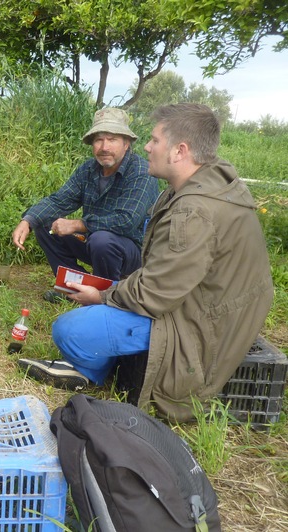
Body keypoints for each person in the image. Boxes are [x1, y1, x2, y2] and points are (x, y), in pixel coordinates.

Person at [18, 103, 274, 422]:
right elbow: (163, 279)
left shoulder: (193, 212)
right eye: (99, 139)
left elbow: (153, 293)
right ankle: (91, 361)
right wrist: (31, 220)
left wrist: (102, 295)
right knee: (95, 301)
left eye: (153, 140)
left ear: (179, 150)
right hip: (193, 303)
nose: (148, 147)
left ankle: (87, 366)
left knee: (70, 329)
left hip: (198, 327)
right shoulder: (194, 190)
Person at [12, 108, 159, 301]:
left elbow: (126, 220)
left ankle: (107, 296)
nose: (104, 147)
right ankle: (73, 289)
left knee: (102, 240)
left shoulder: (140, 172)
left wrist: (77, 224)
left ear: (126, 143)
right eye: (98, 140)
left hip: (134, 251)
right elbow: (59, 200)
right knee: (46, 225)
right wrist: (28, 221)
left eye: (112, 139)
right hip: (95, 241)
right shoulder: (88, 169)